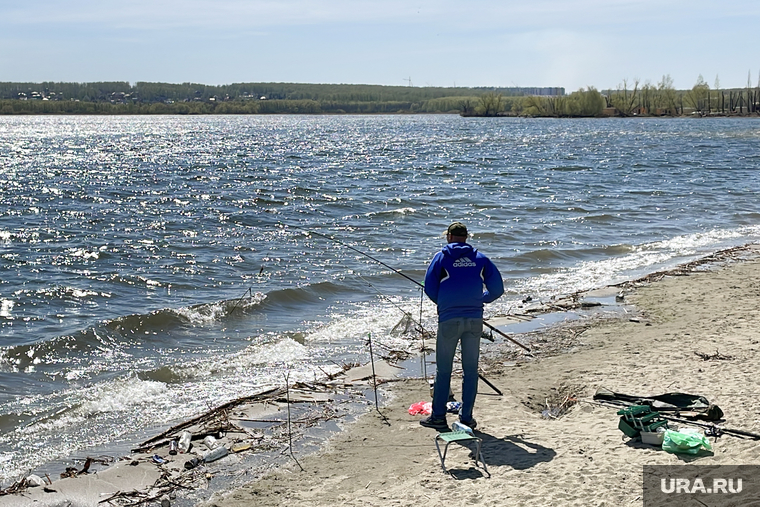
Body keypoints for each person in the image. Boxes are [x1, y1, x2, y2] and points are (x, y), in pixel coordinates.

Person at [420, 222, 504, 431]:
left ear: (449, 237)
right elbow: (497, 289)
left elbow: (429, 288)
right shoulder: (480, 259)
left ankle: (439, 417)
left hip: (449, 319)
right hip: (474, 319)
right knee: (470, 370)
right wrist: (480, 300)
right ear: (466, 237)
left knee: (444, 370)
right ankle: (466, 418)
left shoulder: (441, 258)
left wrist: (446, 303)